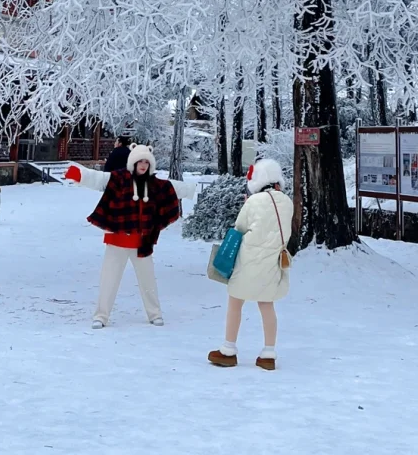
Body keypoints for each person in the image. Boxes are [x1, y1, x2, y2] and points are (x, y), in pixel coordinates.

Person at [65, 144, 195, 327]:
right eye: (140, 161)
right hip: (117, 239)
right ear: (133, 162)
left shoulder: (156, 184)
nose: (143, 165)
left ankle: (154, 314)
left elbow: (174, 187)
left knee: (148, 281)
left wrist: (191, 189)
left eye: (146, 162)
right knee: (109, 281)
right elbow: (99, 179)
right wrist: (80, 175)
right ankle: (101, 316)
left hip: (142, 242)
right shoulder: (118, 178)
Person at [208, 157, 293, 371]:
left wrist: (248, 204)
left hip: (248, 261)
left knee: (235, 302)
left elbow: (240, 227)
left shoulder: (254, 202)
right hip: (272, 262)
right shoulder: (287, 202)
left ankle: (228, 349)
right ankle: (268, 353)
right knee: (267, 305)